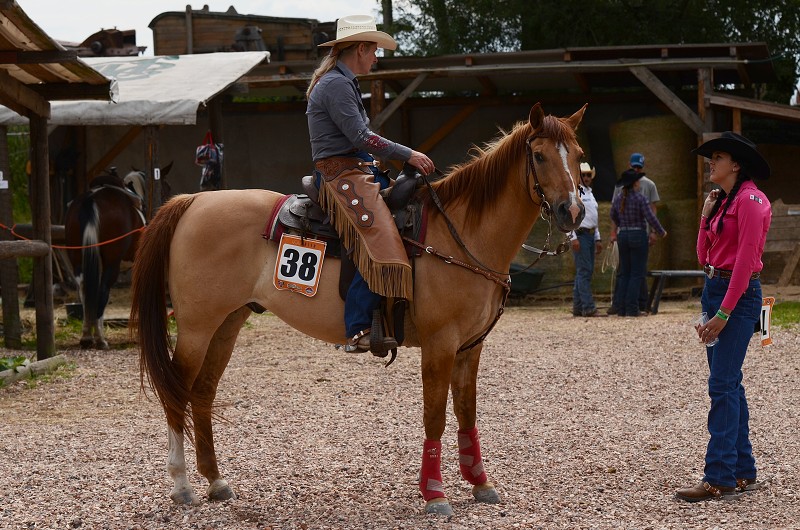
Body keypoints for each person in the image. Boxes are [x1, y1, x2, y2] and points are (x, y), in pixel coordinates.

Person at [305, 15, 434, 354]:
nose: (376, 58)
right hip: (339, 175)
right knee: (378, 237)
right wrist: (408, 154)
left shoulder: (342, 82)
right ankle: (357, 326)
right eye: (374, 50)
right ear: (361, 48)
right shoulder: (335, 85)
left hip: (356, 170)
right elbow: (361, 137)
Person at [675, 132, 771, 502]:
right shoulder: (724, 201)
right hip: (715, 288)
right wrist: (705, 216)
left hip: (739, 297)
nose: (711, 162)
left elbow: (745, 263)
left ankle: (719, 477)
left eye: (718, 157)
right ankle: (743, 471)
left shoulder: (751, 201)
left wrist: (724, 313)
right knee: (729, 384)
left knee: (722, 385)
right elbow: (703, 257)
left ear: (736, 164)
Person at [609, 169, 667, 317]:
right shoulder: (640, 198)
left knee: (625, 273)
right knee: (636, 273)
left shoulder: (618, 199)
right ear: (635, 183)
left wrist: (621, 224)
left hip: (623, 235)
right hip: (638, 235)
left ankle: (621, 308)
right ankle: (632, 308)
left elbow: (612, 215)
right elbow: (650, 217)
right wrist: (661, 231)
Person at [571, 163, 605, 317]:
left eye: (588, 175)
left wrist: (597, 238)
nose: (586, 178)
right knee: (584, 271)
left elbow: (593, 218)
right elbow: (569, 217)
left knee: (584, 271)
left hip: (589, 234)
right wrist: (573, 237)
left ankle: (578, 306)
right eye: (583, 175)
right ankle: (588, 307)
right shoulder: (575, 193)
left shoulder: (590, 193)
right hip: (581, 234)